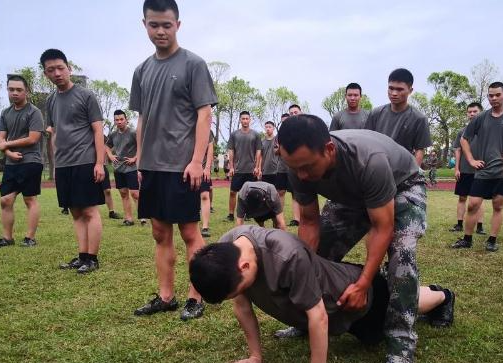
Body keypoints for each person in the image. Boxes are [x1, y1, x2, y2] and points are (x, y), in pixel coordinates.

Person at [277, 115, 444, 363]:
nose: (301, 176)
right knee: (316, 254)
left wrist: (363, 283)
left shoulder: (367, 160)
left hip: (403, 186)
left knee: (402, 256)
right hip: (355, 197)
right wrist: (308, 268)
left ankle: (401, 340)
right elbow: (310, 222)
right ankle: (309, 317)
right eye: (295, 167)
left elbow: (382, 227)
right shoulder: (297, 167)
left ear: (329, 150)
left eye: (308, 167)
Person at [190, 226, 455, 363]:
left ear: (244, 267)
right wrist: (255, 356)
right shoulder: (226, 249)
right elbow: (242, 307)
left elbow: (318, 318)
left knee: (404, 306)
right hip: (331, 309)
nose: (240, 296)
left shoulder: (286, 255)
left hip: (359, 299)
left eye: (239, 290)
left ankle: (443, 296)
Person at [130, 0, 218, 320]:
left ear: (178, 25)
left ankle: (196, 296)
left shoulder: (193, 64)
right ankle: (166, 296)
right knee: (159, 233)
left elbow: (204, 114)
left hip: (182, 166)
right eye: (154, 25)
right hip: (152, 165)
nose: (161, 31)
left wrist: (196, 161)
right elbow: (142, 118)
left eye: (167, 25)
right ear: (145, 25)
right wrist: (140, 159)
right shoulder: (142, 70)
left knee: (190, 233)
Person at [42, 48, 106, 274]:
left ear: (69, 68)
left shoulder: (86, 95)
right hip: (64, 164)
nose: (57, 73)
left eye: (60, 68)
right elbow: (55, 134)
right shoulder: (50, 101)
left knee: (89, 211)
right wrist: (55, 163)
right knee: (75, 212)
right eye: (51, 70)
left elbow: (98, 130)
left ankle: (93, 258)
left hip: (85, 161)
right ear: (46, 74)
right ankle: (82, 256)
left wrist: (99, 163)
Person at [450, 82, 503, 252]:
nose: (494, 98)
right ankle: (467, 239)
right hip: (483, 171)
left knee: (498, 206)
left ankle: (492, 240)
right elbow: (463, 139)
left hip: (502, 171)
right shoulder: (481, 118)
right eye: (491, 95)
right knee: (472, 205)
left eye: (497, 95)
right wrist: (471, 160)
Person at [0, 75, 44, 248]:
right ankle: (7, 238)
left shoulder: (34, 112)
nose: (14, 93)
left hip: (31, 161)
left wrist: (7, 144)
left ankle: (30, 238)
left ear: (27, 92)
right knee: (5, 200)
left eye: (19, 90)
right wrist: (8, 152)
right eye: (11, 89)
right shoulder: (5, 113)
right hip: (11, 163)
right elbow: (0, 138)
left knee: (29, 199)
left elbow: (33, 138)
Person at [365, 68, 432, 166]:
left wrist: (414, 174)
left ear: (410, 90)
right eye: (391, 88)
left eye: (400, 89)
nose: (394, 93)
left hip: (403, 172)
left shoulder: (419, 119)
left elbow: (419, 150)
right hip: (376, 169)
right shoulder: (375, 113)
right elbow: (366, 142)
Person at [450, 102, 486, 234]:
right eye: (469, 112)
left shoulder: (486, 130)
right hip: (465, 170)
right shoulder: (462, 132)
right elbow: (458, 151)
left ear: (481, 113)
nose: (472, 114)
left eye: (475, 111)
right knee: (462, 198)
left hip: (481, 170)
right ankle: (459, 224)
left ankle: (480, 226)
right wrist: (457, 169)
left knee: (479, 200)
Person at [106, 109, 142, 226]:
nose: (119, 122)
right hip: (118, 168)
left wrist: (135, 158)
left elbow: (141, 146)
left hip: (131, 168)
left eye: (121, 119)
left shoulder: (133, 132)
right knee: (123, 193)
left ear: (126, 120)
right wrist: (110, 155)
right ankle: (128, 219)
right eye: (117, 120)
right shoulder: (113, 135)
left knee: (135, 194)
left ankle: (143, 216)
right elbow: (106, 146)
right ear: (115, 121)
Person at [226, 111, 262, 222]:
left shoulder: (255, 135)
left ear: (250, 120)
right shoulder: (234, 134)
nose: (245, 121)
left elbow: (258, 151)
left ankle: (248, 213)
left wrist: (257, 167)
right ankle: (231, 214)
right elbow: (231, 150)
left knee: (250, 193)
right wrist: (231, 167)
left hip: (251, 170)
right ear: (240, 120)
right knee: (233, 192)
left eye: (247, 118)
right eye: (243, 119)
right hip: (238, 170)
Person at [286, 105, 303, 226]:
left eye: (295, 112)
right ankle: (296, 219)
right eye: (291, 113)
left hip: (306, 165)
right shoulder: (287, 130)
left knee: (308, 192)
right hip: (292, 166)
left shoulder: (308, 127)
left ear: (301, 113)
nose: (293, 114)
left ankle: (308, 218)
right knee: (294, 192)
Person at [200, 127, 215, 238]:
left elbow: (210, 148)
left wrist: (207, 168)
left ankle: (205, 227)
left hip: (203, 169)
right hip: (187, 169)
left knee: (205, 195)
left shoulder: (207, 131)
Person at [274, 113, 291, 211]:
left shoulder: (296, 133)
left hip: (294, 168)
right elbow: (275, 152)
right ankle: (279, 214)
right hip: (281, 168)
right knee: (280, 192)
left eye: (286, 121)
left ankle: (297, 219)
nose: (284, 123)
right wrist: (281, 148)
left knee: (296, 194)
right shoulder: (278, 136)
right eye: (283, 121)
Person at [260, 121, 278, 186]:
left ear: (273, 128)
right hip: (265, 171)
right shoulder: (262, 142)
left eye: (270, 127)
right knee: (265, 192)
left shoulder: (277, 140)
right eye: (266, 127)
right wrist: (259, 169)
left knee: (276, 192)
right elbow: (260, 156)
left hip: (276, 171)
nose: (268, 129)